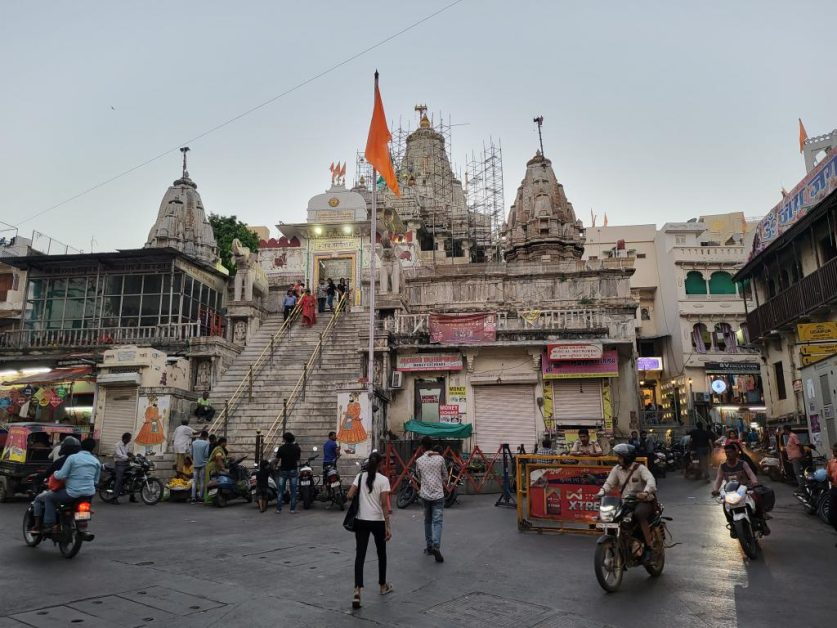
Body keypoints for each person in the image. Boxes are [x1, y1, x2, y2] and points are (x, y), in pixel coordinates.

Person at [346, 451, 393, 609]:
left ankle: (357, 590)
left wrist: (361, 494)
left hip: (361, 520)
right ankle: (382, 585)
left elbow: (349, 495)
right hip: (377, 521)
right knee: (381, 554)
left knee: (360, 555)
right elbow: (385, 505)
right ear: (380, 464)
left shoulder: (360, 477)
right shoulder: (384, 480)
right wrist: (388, 525)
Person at [596, 443, 657, 561]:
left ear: (627, 457)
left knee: (639, 514)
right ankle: (623, 543)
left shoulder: (640, 469)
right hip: (626, 502)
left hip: (643, 501)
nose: (618, 459)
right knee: (614, 517)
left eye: (620, 457)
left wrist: (645, 492)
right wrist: (601, 493)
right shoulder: (616, 469)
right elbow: (609, 484)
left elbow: (651, 480)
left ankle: (648, 548)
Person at [43, 437, 101, 533]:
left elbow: (61, 475)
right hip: (89, 494)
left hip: (71, 493)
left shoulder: (72, 458)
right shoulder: (96, 461)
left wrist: (55, 473)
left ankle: (49, 525)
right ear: (93, 448)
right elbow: (96, 481)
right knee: (84, 508)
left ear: (81, 447)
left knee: (49, 497)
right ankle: (82, 523)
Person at [28, 436, 82, 532]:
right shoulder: (82, 461)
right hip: (84, 493)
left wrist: (39, 479)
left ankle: (48, 524)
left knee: (43, 498)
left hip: (67, 491)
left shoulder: (63, 461)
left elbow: (53, 474)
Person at [711, 443, 762, 537]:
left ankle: (761, 521)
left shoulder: (743, 463)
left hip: (745, 488)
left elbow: (750, 474)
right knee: (725, 505)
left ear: (735, 452)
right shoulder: (722, 466)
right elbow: (718, 479)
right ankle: (731, 525)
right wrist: (715, 489)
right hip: (730, 490)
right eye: (726, 452)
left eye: (730, 452)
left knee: (756, 500)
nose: (728, 454)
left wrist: (754, 482)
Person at [416, 436, 447, 562]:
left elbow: (418, 477)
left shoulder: (419, 461)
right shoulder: (440, 459)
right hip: (438, 495)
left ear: (422, 447)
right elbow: (445, 476)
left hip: (425, 495)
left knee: (427, 520)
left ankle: (429, 546)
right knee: (437, 522)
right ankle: (436, 546)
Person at [274, 432, 301, 513]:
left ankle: (278, 509)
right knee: (293, 491)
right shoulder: (297, 448)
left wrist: (274, 466)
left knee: (280, 491)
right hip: (293, 470)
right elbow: (297, 459)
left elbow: (277, 460)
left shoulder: (281, 448)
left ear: (285, 439)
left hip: (283, 470)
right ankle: (292, 509)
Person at [112, 432, 136, 504]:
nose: (130, 440)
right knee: (119, 479)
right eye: (129, 439)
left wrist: (133, 455)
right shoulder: (117, 445)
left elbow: (128, 452)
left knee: (133, 477)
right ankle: (114, 498)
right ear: (125, 439)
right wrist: (128, 458)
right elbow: (119, 455)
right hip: (119, 464)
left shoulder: (127, 445)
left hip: (126, 463)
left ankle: (132, 496)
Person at [204, 436, 229, 504]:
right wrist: (223, 468)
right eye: (225, 442)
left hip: (213, 467)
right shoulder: (218, 449)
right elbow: (218, 458)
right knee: (211, 483)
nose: (226, 444)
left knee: (213, 483)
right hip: (212, 468)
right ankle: (209, 499)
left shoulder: (219, 448)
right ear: (222, 442)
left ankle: (212, 499)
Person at [783, 424, 805, 490]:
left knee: (797, 472)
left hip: (796, 457)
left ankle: (802, 487)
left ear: (786, 430)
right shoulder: (790, 437)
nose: (784, 432)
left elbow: (800, 445)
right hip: (793, 457)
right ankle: (802, 485)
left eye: (784, 430)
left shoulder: (793, 436)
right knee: (798, 472)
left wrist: (803, 454)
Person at [191, 430, 210, 503]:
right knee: (202, 481)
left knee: (194, 481)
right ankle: (200, 497)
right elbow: (206, 454)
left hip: (195, 464)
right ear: (205, 436)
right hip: (203, 464)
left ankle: (193, 497)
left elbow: (191, 454)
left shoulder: (194, 442)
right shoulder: (206, 443)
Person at [827, 443, 837, 542]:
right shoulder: (831, 462)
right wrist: (829, 478)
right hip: (834, 490)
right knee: (831, 516)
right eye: (834, 451)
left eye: (836, 451)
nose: (834, 453)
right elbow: (828, 474)